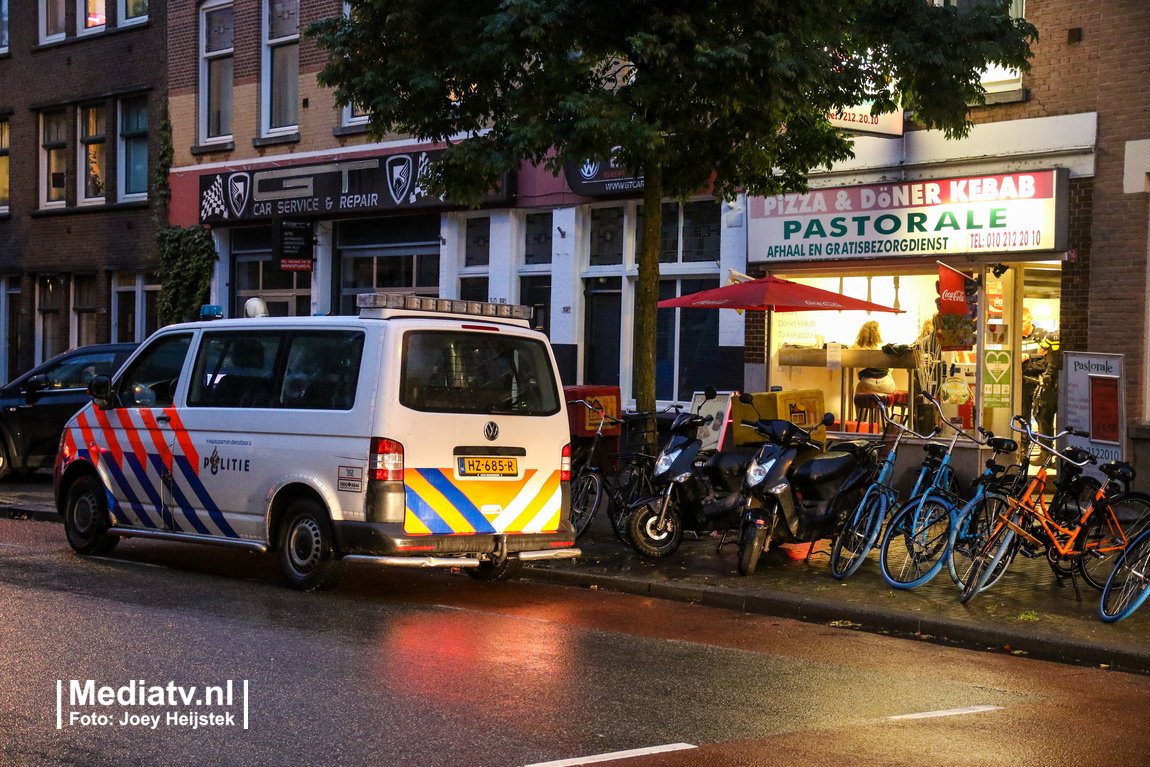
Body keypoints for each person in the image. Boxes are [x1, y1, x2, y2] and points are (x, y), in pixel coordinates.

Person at [1020, 307, 1049, 432]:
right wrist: (1036, 356)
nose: (1021, 325)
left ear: (1031, 319)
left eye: (1023, 321)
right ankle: (1024, 440)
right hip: (1022, 381)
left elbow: (1045, 360)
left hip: (1039, 381)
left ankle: (1043, 442)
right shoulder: (1015, 335)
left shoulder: (1042, 334)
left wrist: (1028, 357)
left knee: (1041, 415)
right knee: (1023, 415)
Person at [853, 320, 897, 395]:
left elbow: (859, 371)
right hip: (886, 384)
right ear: (878, 333)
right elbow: (890, 369)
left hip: (867, 384)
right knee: (894, 387)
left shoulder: (857, 348)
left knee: (859, 388)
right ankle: (886, 401)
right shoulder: (884, 348)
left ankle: (858, 403)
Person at [1033, 332, 1060, 438]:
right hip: (1066, 379)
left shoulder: (1051, 337)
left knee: (1043, 416)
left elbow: (1040, 351)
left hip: (1050, 381)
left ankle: (1046, 446)